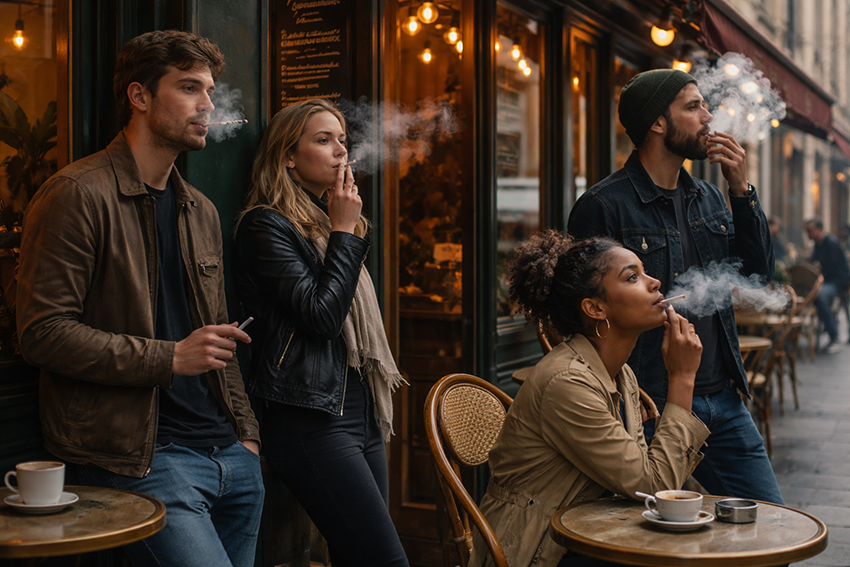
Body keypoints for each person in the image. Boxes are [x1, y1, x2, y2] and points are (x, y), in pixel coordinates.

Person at [16, 30, 263, 567]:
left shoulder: (199, 209)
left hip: (230, 459)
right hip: (142, 461)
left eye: (210, 90)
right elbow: (42, 333)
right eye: (190, 88)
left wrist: (246, 437)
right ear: (140, 96)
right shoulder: (77, 194)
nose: (209, 104)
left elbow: (219, 336)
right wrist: (169, 357)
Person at [568, 68, 783, 505]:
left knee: (770, 519)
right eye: (694, 106)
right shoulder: (603, 206)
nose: (708, 116)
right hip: (648, 404)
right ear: (657, 123)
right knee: (648, 532)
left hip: (723, 399)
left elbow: (758, 275)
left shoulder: (709, 196)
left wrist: (741, 190)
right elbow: (583, 315)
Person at [234, 99, 409, 567]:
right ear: (288, 156)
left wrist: (340, 230)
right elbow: (322, 317)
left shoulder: (324, 221)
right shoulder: (264, 225)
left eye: (343, 140)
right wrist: (344, 233)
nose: (341, 151)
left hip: (359, 409)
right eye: (323, 139)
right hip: (310, 419)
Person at [469, 231, 710, 567]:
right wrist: (682, 378)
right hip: (537, 549)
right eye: (633, 277)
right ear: (595, 308)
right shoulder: (567, 382)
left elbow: (642, 481)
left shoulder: (621, 374)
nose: (655, 282)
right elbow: (654, 486)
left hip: (588, 532)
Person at [804, 218, 850, 352]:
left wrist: (818, 267)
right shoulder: (817, 245)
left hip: (837, 282)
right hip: (826, 281)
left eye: (810, 230)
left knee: (820, 295)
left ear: (819, 230)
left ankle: (834, 336)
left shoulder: (831, 243)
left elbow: (831, 268)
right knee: (808, 292)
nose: (808, 234)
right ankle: (825, 320)